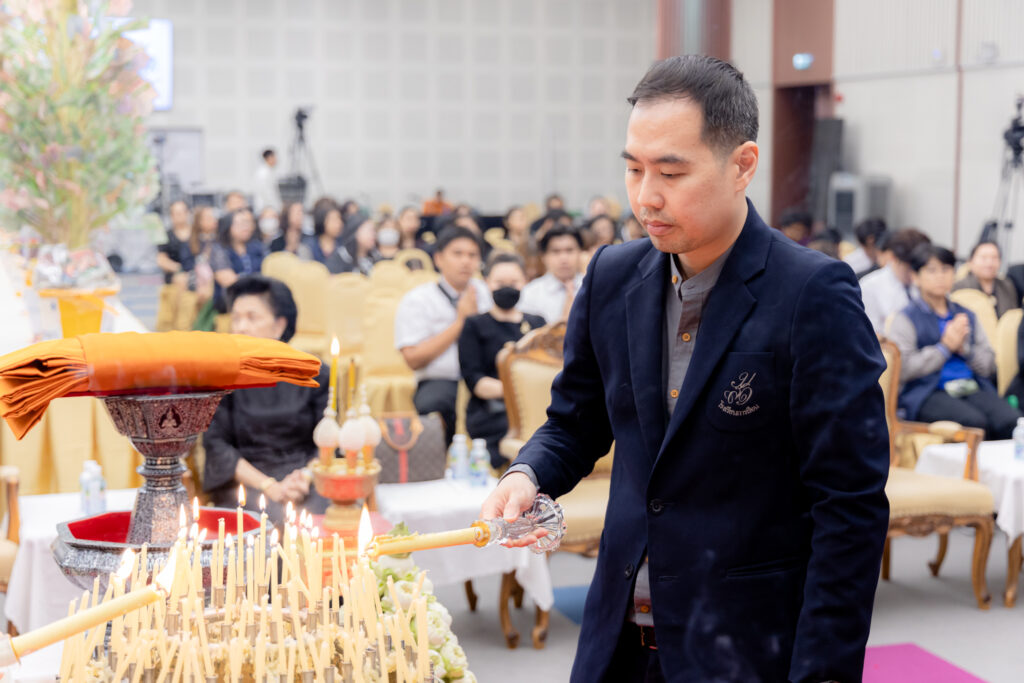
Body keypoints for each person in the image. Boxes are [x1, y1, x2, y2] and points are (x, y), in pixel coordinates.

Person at [481, 55, 889, 683]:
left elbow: (849, 505)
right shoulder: (612, 276)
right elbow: (575, 422)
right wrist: (528, 473)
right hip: (617, 641)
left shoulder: (811, 293)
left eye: (671, 172)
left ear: (742, 165)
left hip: (743, 647)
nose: (646, 195)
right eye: (634, 168)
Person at [202, 275, 330, 524]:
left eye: (252, 318)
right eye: (236, 318)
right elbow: (217, 446)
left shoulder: (314, 373)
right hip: (247, 479)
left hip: (305, 476)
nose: (240, 327)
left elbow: (328, 440)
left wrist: (305, 477)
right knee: (269, 520)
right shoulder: (222, 377)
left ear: (279, 326)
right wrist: (269, 486)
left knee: (322, 517)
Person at [889, 244, 1020, 438]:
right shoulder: (906, 318)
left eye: (946, 269)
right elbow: (904, 368)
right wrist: (944, 348)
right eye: (932, 270)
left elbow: (989, 365)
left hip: (970, 386)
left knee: (1011, 420)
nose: (940, 276)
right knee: (974, 422)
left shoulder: (966, 314)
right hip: (927, 392)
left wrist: (965, 350)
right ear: (915, 277)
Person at [394, 226, 492, 444]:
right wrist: (462, 322)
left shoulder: (486, 293)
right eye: (457, 254)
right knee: (434, 407)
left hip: (481, 379)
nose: (466, 261)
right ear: (438, 259)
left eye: (472, 255)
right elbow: (413, 358)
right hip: (440, 380)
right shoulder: (419, 299)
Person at [457, 253, 546, 469]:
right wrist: (520, 393)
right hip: (492, 411)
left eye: (513, 282)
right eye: (499, 283)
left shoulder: (538, 324)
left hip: (539, 408)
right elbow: (475, 381)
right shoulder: (475, 325)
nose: (507, 288)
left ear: (525, 282)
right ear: (487, 282)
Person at [859, 227, 931, 334]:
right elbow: (871, 333)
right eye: (909, 267)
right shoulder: (869, 286)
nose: (914, 273)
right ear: (893, 257)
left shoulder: (929, 282)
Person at [518, 225, 584, 324]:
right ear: (543, 257)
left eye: (569, 250)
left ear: (580, 252)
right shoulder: (530, 293)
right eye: (556, 251)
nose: (563, 258)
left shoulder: (594, 288)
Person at [209, 209, 266, 312]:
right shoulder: (219, 249)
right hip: (230, 299)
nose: (245, 227)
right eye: (240, 223)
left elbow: (269, 273)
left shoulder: (258, 246)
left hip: (259, 296)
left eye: (247, 223)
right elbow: (227, 280)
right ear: (228, 226)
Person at [953, 240, 1020, 318]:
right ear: (970, 262)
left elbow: (1013, 316)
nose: (989, 263)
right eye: (983, 258)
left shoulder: (1006, 285)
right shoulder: (960, 286)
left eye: (994, 258)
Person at [156, 199, 194, 285]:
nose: (179, 216)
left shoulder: (196, 233)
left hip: (196, 275)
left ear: (187, 213)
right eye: (175, 213)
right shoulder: (165, 235)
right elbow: (161, 259)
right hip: (175, 276)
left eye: (181, 212)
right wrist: (179, 269)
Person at [252, 148, 280, 213]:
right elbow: (266, 193)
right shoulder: (263, 173)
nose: (276, 160)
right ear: (269, 158)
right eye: (274, 157)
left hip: (269, 207)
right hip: (265, 208)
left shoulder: (269, 171)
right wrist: (273, 207)